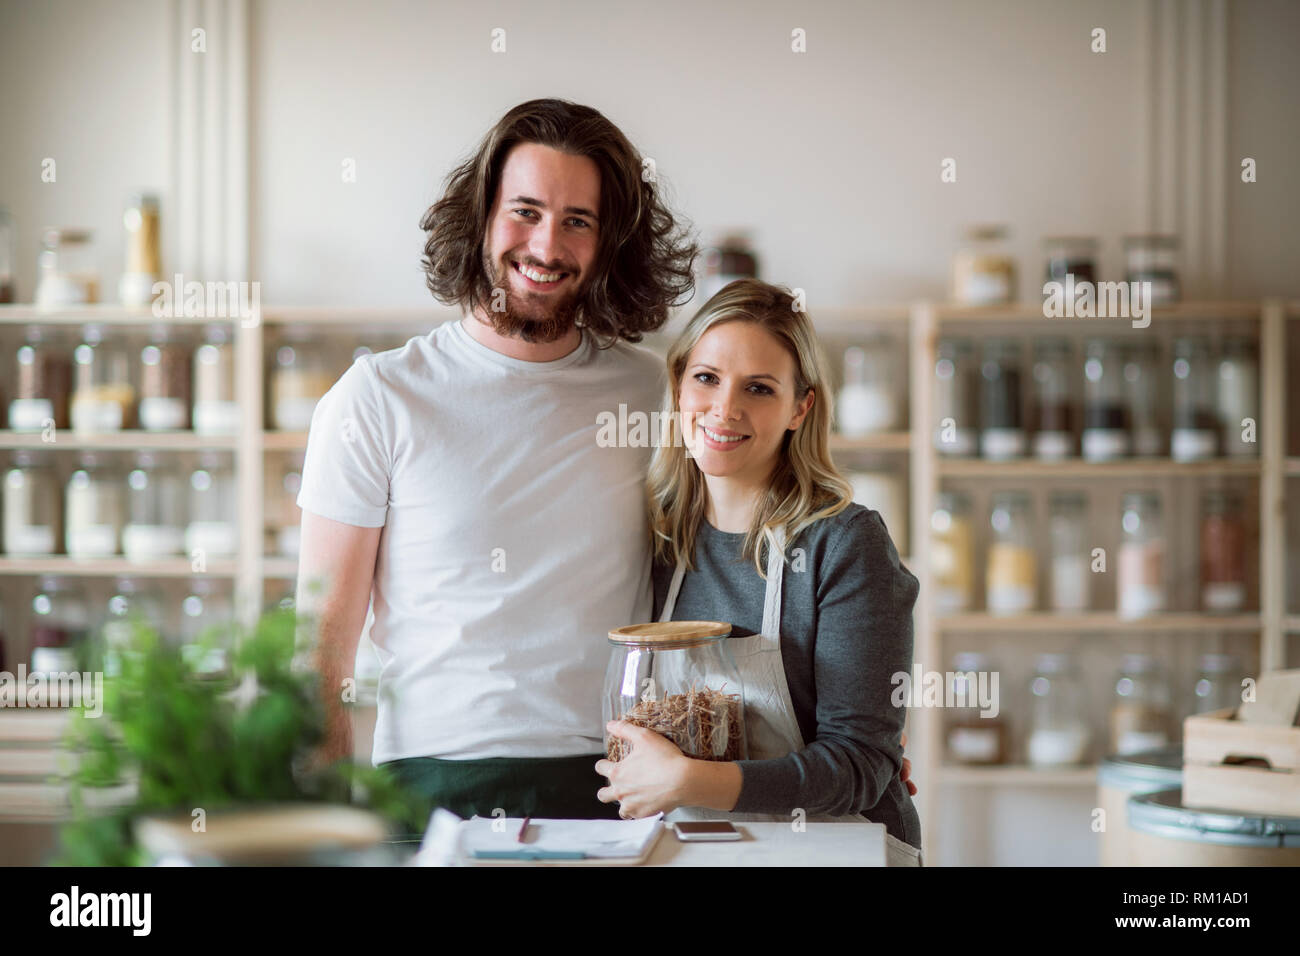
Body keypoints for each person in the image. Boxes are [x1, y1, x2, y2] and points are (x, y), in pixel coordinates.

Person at [295, 98, 695, 820]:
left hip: (617, 787)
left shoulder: (654, 391)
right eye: (526, 211)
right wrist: (325, 830)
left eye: (579, 221)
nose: (546, 246)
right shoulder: (378, 397)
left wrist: (839, 740)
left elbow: (725, 578)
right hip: (427, 792)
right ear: (480, 215)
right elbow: (320, 653)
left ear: (609, 245)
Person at [594, 279, 923, 864]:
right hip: (700, 852)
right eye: (706, 378)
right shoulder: (660, 537)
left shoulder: (844, 543)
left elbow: (863, 766)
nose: (725, 408)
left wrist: (688, 782)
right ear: (677, 384)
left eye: (759, 388)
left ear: (802, 407)